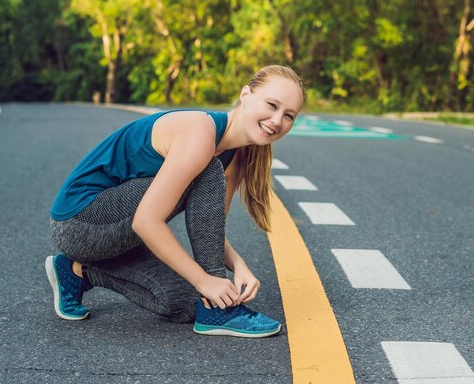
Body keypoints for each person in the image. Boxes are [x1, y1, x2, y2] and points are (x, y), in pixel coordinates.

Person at [46, 65, 305, 338]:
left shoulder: (237, 156)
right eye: (271, 105)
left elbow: (210, 230)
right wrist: (205, 280)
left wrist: (239, 266)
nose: (277, 120)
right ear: (245, 96)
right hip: (80, 221)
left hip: (116, 233)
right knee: (207, 286)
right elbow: (146, 221)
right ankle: (218, 311)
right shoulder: (200, 132)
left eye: (288, 115)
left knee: (184, 303)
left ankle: (77, 270)